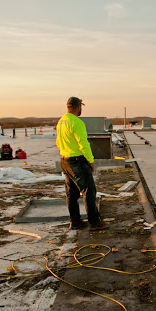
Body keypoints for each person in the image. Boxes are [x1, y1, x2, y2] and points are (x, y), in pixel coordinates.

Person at [56, 97, 104, 231]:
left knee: (71, 194)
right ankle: (94, 222)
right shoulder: (77, 122)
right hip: (77, 161)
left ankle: (75, 221)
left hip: (64, 161)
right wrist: (90, 160)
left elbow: (58, 143)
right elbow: (83, 144)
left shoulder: (61, 122)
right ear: (78, 107)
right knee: (88, 191)